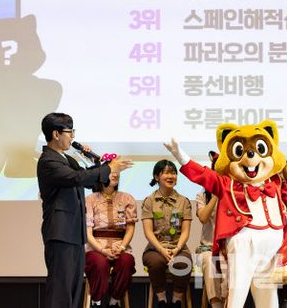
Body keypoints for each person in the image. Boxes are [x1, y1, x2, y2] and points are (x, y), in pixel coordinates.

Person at [37, 112, 132, 308]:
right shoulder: (48, 161)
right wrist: (108, 168)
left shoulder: (68, 160)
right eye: (70, 132)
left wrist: (99, 163)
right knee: (60, 288)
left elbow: (91, 182)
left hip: (74, 233)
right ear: (56, 134)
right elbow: (77, 178)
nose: (73, 136)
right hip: (60, 232)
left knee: (73, 288)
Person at [141, 160, 193, 308]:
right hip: (155, 248)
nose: (171, 176)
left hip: (178, 247)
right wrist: (161, 250)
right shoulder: (149, 201)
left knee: (183, 262)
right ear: (157, 177)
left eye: (174, 173)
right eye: (166, 173)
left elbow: (185, 231)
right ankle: (162, 300)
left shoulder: (184, 201)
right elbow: (148, 232)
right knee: (156, 263)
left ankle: (176, 301)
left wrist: (177, 249)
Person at [85, 170, 137, 307]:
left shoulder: (127, 198)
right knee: (99, 263)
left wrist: (122, 247)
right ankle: (96, 302)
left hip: (120, 246)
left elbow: (130, 228)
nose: (115, 175)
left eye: (117, 172)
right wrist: (102, 250)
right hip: (96, 247)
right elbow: (88, 233)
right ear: (101, 175)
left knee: (126, 262)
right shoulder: (90, 199)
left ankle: (114, 302)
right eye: (111, 172)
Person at [195, 151, 227, 308]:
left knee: (232, 262)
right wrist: (215, 194)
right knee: (210, 261)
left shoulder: (236, 193)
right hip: (207, 248)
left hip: (230, 249)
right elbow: (203, 218)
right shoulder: (202, 195)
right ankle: (216, 305)